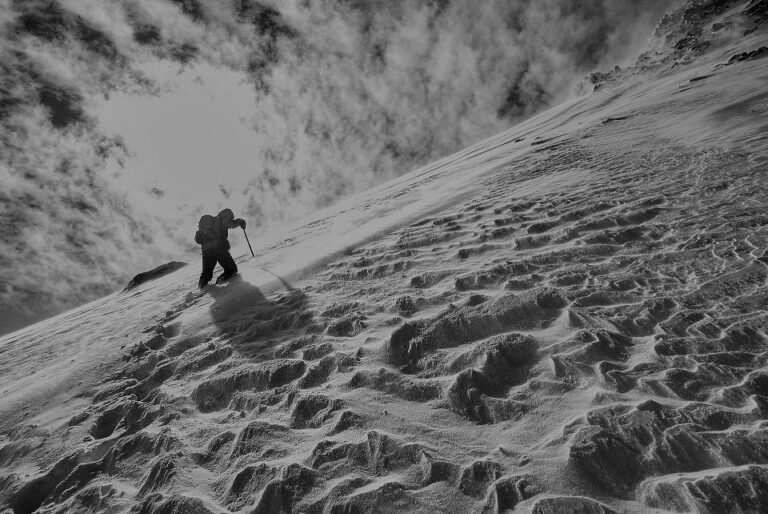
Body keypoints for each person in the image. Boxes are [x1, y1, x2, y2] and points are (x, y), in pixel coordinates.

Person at [195, 208, 246, 288]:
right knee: (232, 270)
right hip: (219, 249)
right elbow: (231, 224)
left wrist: (240, 222)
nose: (230, 220)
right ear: (226, 216)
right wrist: (240, 222)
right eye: (230, 218)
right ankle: (220, 280)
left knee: (206, 273)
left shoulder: (214, 222)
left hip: (207, 252)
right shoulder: (221, 220)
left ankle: (201, 287)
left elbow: (199, 239)